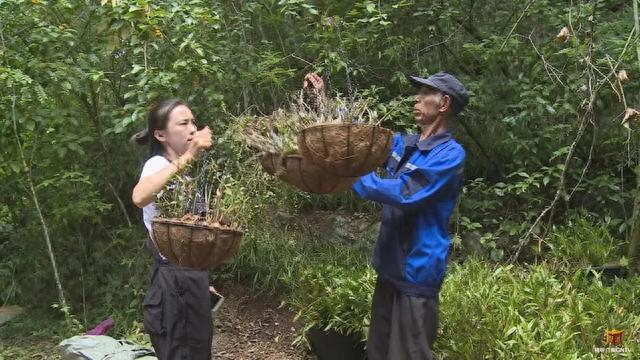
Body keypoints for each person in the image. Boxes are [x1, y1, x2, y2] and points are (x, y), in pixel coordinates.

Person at [304, 72, 468, 360]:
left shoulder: (450, 155)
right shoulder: (404, 144)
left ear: (443, 104)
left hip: (417, 271)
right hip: (390, 267)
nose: (416, 98)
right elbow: (354, 140)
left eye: (424, 93)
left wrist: (348, 177)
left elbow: (406, 193)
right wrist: (322, 99)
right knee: (379, 351)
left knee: (408, 353)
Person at [131, 98, 215, 360]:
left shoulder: (184, 175)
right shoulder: (157, 165)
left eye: (193, 122)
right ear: (160, 134)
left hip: (191, 280)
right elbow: (139, 196)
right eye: (183, 123)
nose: (192, 128)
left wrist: (202, 274)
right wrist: (190, 155)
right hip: (173, 284)